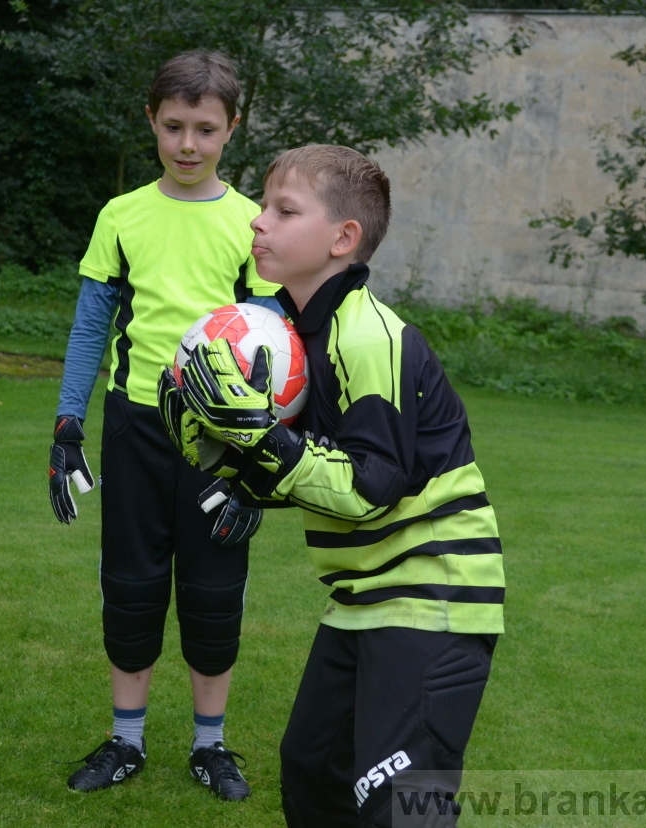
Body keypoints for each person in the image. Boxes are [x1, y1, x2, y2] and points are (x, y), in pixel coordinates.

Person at [164, 144, 505, 826]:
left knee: (395, 802)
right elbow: (312, 470)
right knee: (312, 771)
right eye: (263, 207)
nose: (259, 222)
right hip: (359, 597)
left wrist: (266, 438)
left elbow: (371, 484)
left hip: (432, 596)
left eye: (285, 210)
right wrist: (226, 461)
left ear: (343, 239)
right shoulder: (284, 334)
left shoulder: (367, 336)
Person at [48, 50, 278, 801]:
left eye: (204, 129)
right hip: (138, 426)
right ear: (151, 120)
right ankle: (127, 740)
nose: (187, 144)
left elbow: (274, 347)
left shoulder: (252, 226)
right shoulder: (122, 216)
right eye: (173, 126)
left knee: (213, 592)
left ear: (231, 130)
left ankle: (211, 747)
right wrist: (67, 422)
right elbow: (90, 330)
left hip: (222, 440)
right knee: (133, 585)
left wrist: (258, 467)